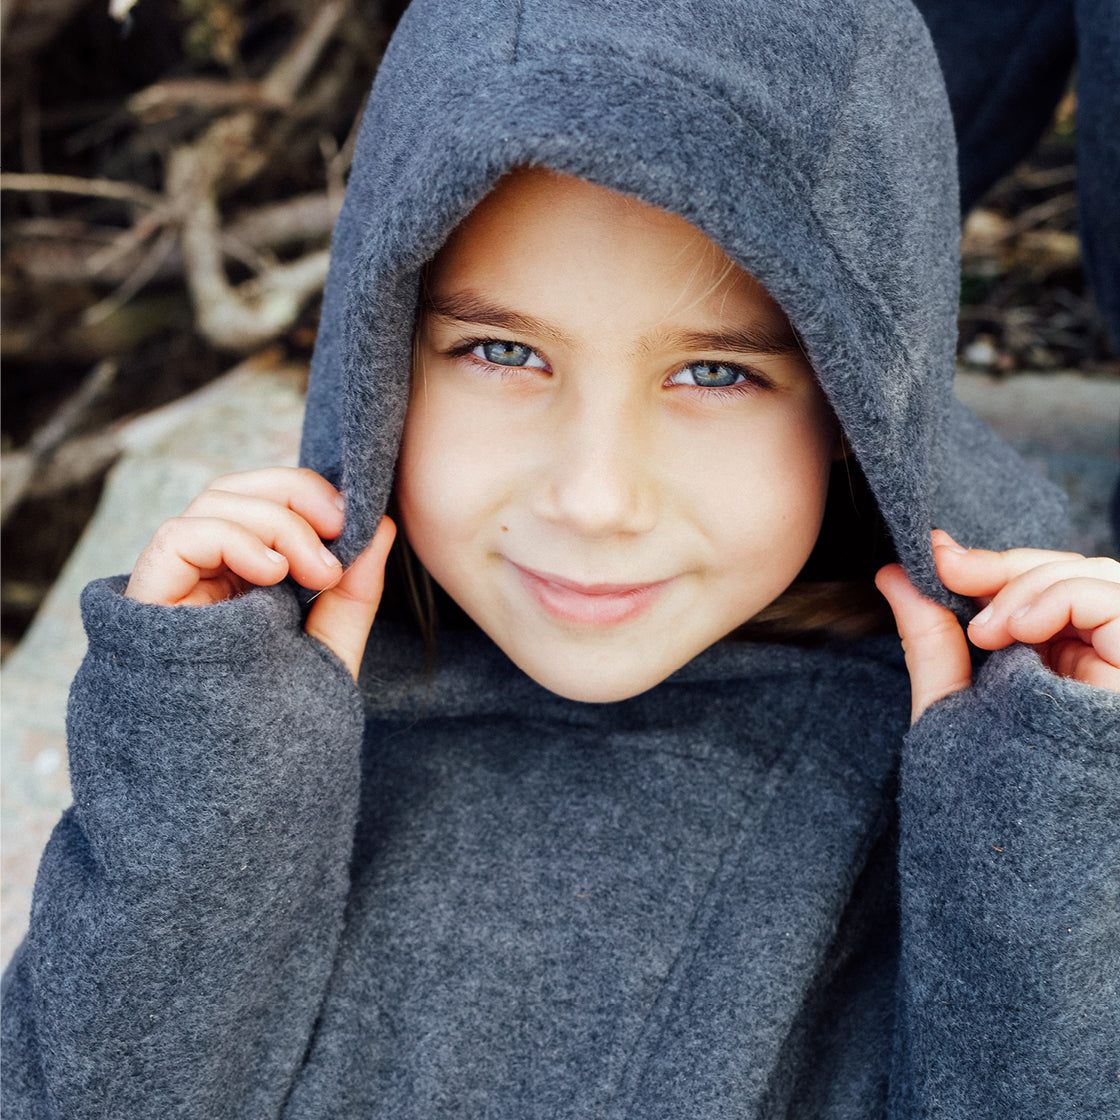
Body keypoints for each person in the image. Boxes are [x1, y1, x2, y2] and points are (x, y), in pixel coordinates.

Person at [3, 0, 1118, 1117]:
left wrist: (1046, 858)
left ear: (856, 401)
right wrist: (194, 784)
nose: (593, 499)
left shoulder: (990, 778)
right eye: (501, 350)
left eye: (714, 374)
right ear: (381, 349)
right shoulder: (250, 733)